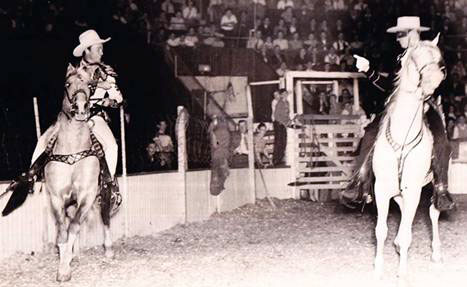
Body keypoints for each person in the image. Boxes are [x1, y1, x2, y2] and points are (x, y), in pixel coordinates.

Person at [341, 16, 454, 211]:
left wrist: (429, 93)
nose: (397, 39)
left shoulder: (428, 52)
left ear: (413, 33)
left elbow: (441, 77)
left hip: (425, 104)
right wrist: (369, 70)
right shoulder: (400, 58)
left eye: (400, 34)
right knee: (369, 134)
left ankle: (441, 189)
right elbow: (389, 88)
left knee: (442, 140)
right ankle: (360, 184)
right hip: (397, 106)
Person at [7, 29, 123, 195]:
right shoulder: (71, 70)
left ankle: (108, 185)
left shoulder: (106, 74)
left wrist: (108, 101)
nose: (102, 52)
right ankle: (31, 177)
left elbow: (119, 99)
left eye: (101, 48)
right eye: (98, 48)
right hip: (70, 118)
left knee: (112, 146)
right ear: (86, 50)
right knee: (43, 140)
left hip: (94, 116)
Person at [273, 89, 290, 166]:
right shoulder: (279, 103)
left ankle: (280, 158)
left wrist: (289, 121)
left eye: (286, 93)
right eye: (283, 94)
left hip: (284, 125)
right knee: (279, 142)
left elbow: (286, 115)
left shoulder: (287, 103)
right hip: (279, 124)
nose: (285, 95)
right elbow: (276, 116)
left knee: (284, 142)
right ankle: (276, 160)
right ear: (281, 95)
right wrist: (284, 123)